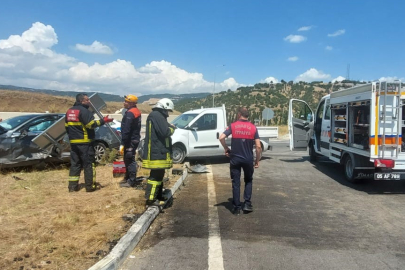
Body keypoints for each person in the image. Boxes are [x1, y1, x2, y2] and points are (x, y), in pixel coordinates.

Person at [65, 93, 113, 192]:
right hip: (85, 143)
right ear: (81, 101)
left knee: (75, 164)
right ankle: (90, 186)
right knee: (89, 164)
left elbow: (66, 126)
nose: (89, 102)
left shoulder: (69, 111)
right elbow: (91, 125)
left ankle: (72, 187)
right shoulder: (85, 111)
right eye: (87, 100)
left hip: (74, 143)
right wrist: (103, 120)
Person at [219, 107, 261, 215]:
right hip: (248, 159)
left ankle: (236, 207)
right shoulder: (253, 128)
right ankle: (247, 204)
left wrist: (226, 148)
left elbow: (221, 137)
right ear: (248, 116)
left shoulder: (233, 126)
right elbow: (258, 146)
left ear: (239, 115)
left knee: (236, 182)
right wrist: (257, 160)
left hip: (235, 159)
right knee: (248, 180)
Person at [142, 98, 176, 206]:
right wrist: (172, 129)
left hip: (159, 151)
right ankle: (151, 200)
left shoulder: (157, 116)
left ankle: (158, 195)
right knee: (155, 176)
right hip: (157, 152)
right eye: (168, 111)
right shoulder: (157, 115)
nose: (168, 113)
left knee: (159, 175)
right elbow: (165, 132)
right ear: (164, 108)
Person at [119, 94, 142, 187]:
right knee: (127, 159)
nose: (124, 103)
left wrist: (122, 143)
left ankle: (131, 181)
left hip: (130, 140)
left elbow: (126, 130)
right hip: (134, 139)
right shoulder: (135, 111)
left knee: (129, 159)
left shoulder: (130, 113)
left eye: (126, 101)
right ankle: (128, 178)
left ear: (131, 103)